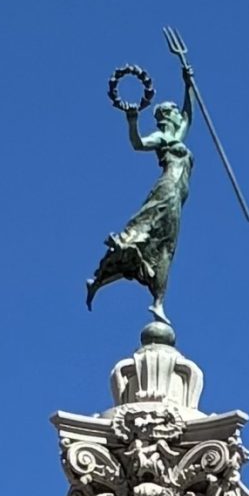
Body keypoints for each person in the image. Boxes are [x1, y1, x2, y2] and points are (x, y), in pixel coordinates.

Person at [86, 67, 194, 325]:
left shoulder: (176, 135)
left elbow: (189, 115)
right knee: (146, 230)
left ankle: (158, 301)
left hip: (177, 200)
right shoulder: (163, 138)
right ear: (169, 116)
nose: (180, 116)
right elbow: (138, 143)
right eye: (175, 113)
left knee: (166, 249)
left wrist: (188, 83)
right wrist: (132, 120)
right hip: (167, 191)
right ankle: (118, 263)